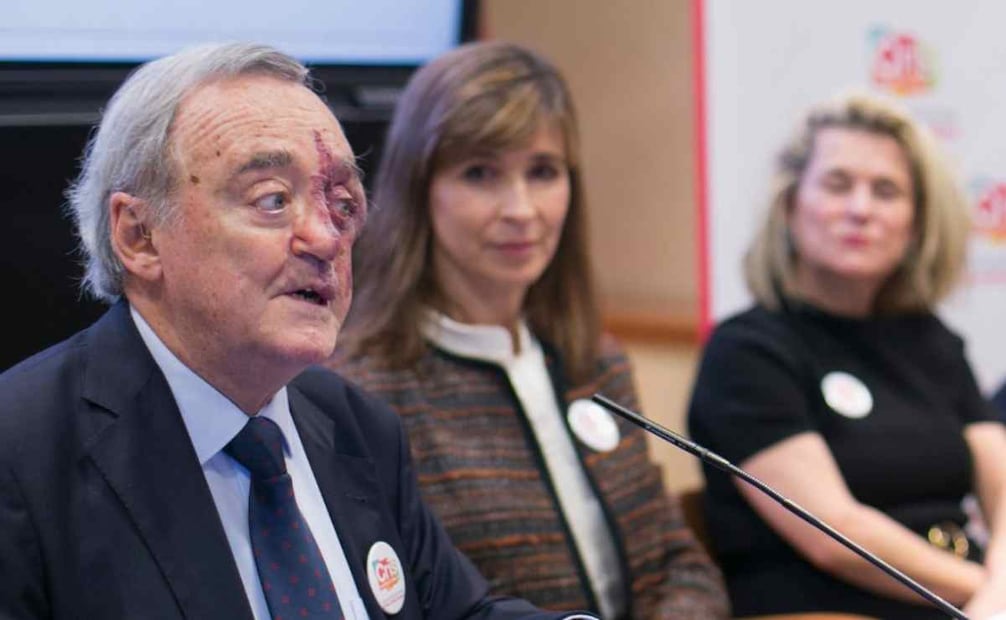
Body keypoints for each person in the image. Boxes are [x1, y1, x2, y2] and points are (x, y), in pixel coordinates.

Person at [0, 42, 600, 620]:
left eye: (341, 203)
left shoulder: (356, 425)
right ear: (139, 235)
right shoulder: (22, 452)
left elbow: (461, 613)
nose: (326, 239)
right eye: (271, 200)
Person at [330, 41, 728, 619]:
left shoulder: (597, 361)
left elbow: (678, 562)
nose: (521, 209)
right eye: (480, 174)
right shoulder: (362, 394)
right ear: (419, 189)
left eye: (542, 172)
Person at [687, 93, 1006, 619]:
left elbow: (999, 484)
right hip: (834, 605)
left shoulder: (931, 340)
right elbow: (835, 535)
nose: (861, 209)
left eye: (886, 191)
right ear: (791, 207)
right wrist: (988, 593)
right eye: (838, 185)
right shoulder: (746, 352)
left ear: (915, 223)